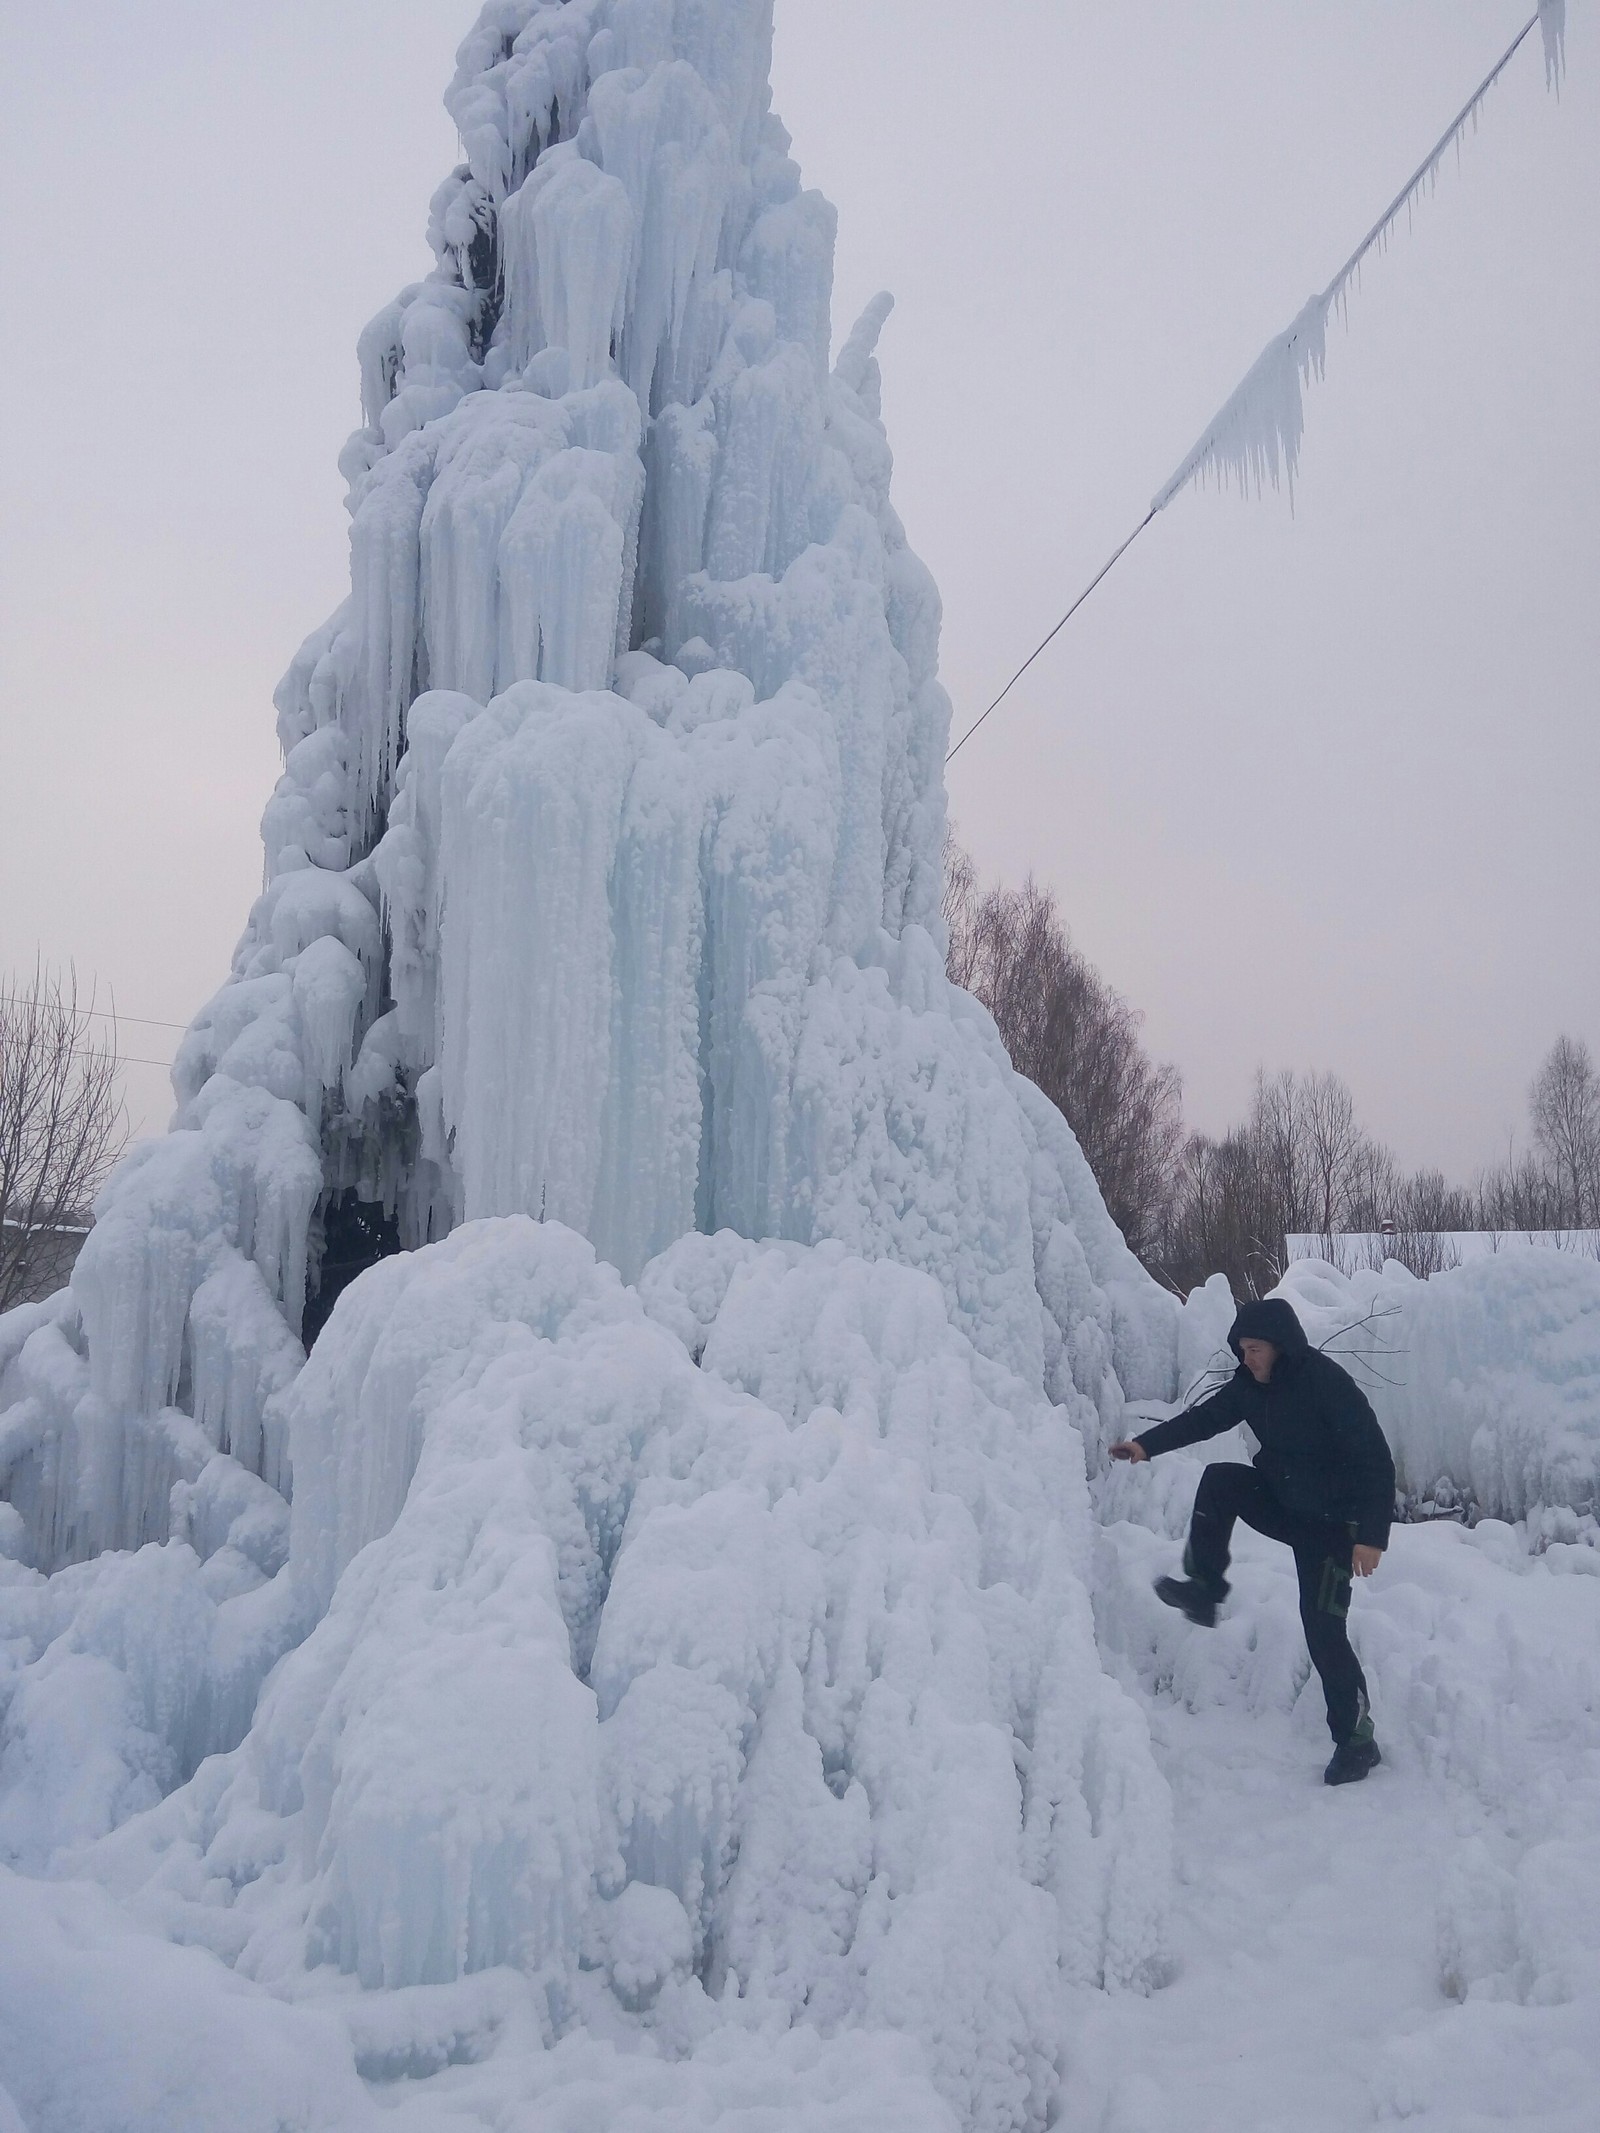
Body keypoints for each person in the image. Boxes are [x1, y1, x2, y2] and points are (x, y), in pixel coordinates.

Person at [1109, 1296, 1396, 1786]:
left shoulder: (1326, 1385)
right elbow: (1203, 1419)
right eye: (1242, 1349)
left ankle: (1357, 1742)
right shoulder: (1248, 1387)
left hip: (1334, 1529)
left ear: (1281, 1347)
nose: (1248, 1358)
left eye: (1255, 1349)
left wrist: (1372, 1538)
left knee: (1323, 1632)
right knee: (1221, 1479)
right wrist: (1144, 1446)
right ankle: (1203, 1588)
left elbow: (1375, 1460)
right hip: (1287, 1507)